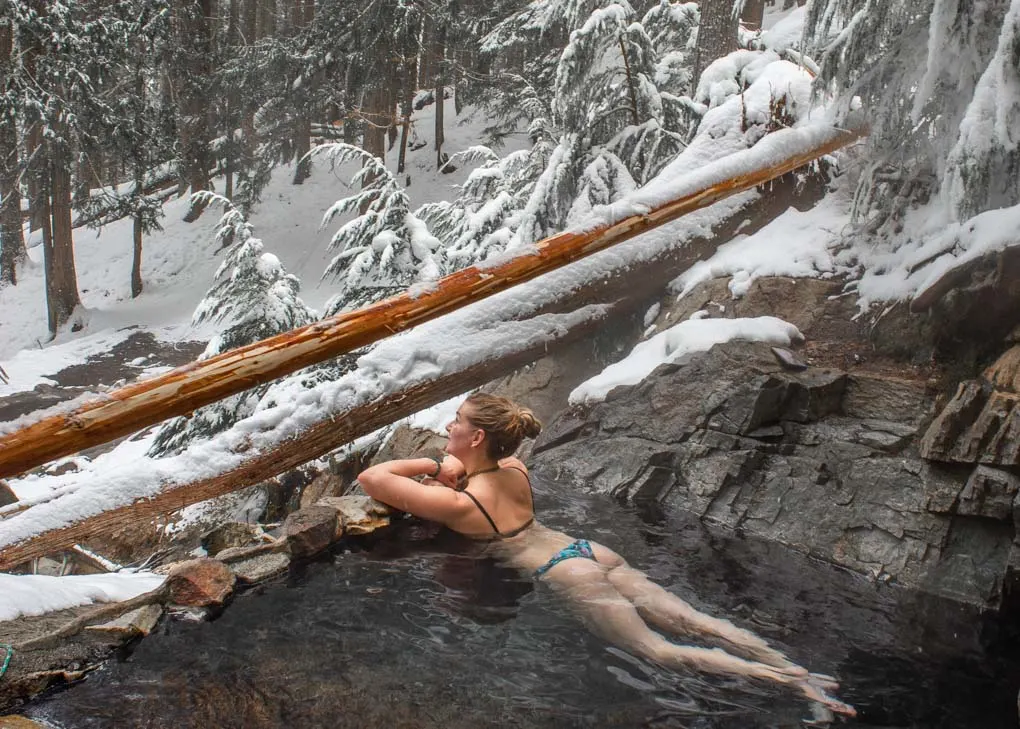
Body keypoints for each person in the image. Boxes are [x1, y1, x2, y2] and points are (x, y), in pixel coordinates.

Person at [358, 393, 855, 718]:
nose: (449, 426)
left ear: (477, 436)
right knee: (696, 621)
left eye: (457, 423)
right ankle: (793, 666)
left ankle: (789, 683)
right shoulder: (513, 468)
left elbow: (373, 480)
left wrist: (432, 462)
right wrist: (456, 462)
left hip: (566, 574)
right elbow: (485, 462)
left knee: (657, 651)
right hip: (590, 550)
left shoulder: (461, 504)